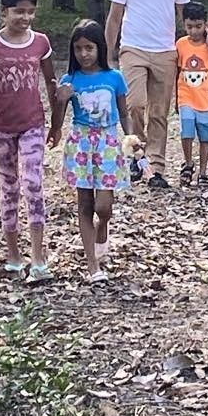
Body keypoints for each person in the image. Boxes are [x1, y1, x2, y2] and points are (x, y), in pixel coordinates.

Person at [0, 0, 61, 282]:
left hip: (33, 124)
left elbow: (51, 83)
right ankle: (13, 254)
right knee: (9, 187)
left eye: (30, 12)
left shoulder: (41, 43)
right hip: (0, 127)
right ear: (4, 12)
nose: (24, 18)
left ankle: (38, 257)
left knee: (34, 184)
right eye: (18, 12)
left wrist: (57, 123)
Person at [105, 0, 190, 190]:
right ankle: (137, 154)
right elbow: (115, 16)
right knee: (135, 105)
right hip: (133, 48)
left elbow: (184, 16)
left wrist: (197, 42)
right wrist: (108, 55)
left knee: (159, 112)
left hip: (165, 51)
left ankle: (156, 168)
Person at [54, 18, 132, 282]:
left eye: (89, 48)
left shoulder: (115, 78)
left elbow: (124, 112)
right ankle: (92, 265)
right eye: (78, 49)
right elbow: (57, 121)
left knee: (104, 206)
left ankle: (103, 228)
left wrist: (131, 135)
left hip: (108, 144)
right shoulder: (70, 79)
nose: (84, 54)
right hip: (81, 144)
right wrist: (60, 100)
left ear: (100, 48)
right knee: (85, 203)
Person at [176, 1, 208, 187]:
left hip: (206, 96)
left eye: (198, 26)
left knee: (205, 136)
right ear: (184, 24)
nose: (194, 31)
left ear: (205, 24)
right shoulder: (181, 44)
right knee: (187, 131)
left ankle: (203, 172)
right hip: (186, 95)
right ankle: (188, 163)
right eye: (189, 27)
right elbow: (176, 69)